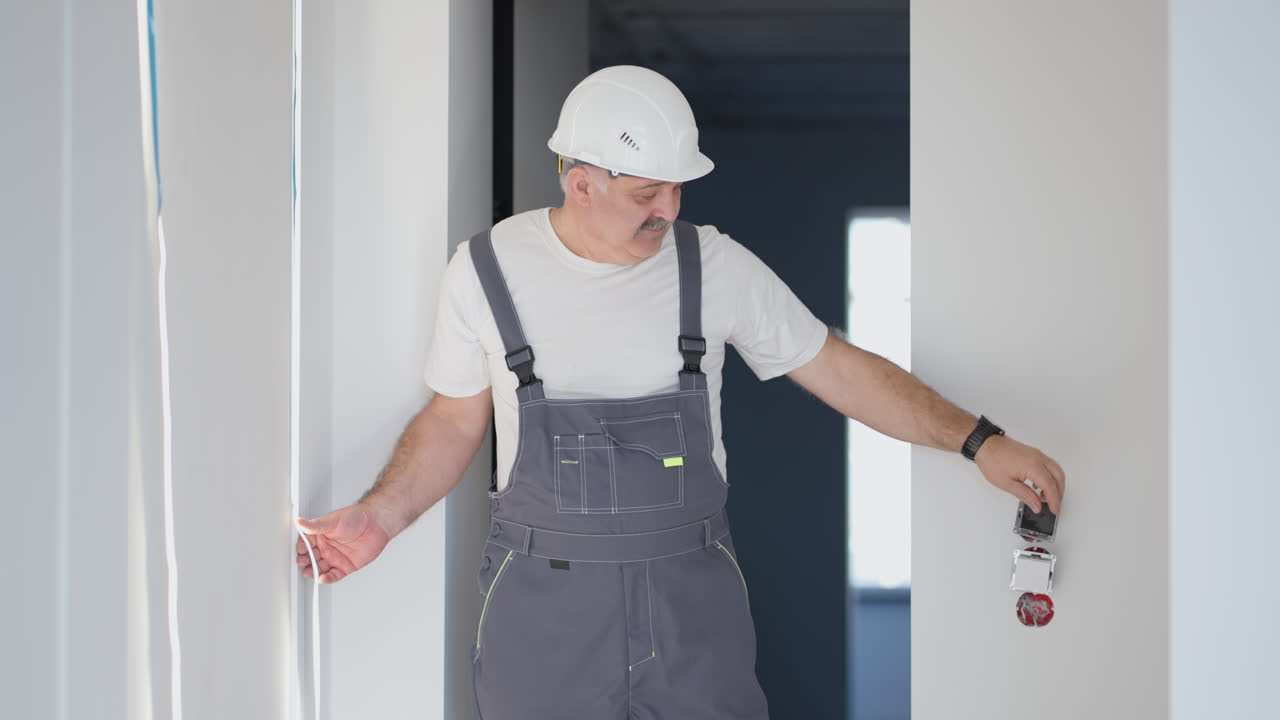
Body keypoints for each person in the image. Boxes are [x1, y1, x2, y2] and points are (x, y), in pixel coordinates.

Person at [295, 65, 1066, 719]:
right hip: (543, 613)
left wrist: (980, 441)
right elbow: (455, 416)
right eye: (647, 195)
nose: (668, 211)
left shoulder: (713, 267)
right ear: (582, 181)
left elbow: (837, 367)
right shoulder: (486, 270)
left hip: (692, 603)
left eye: (677, 191)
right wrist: (382, 517)